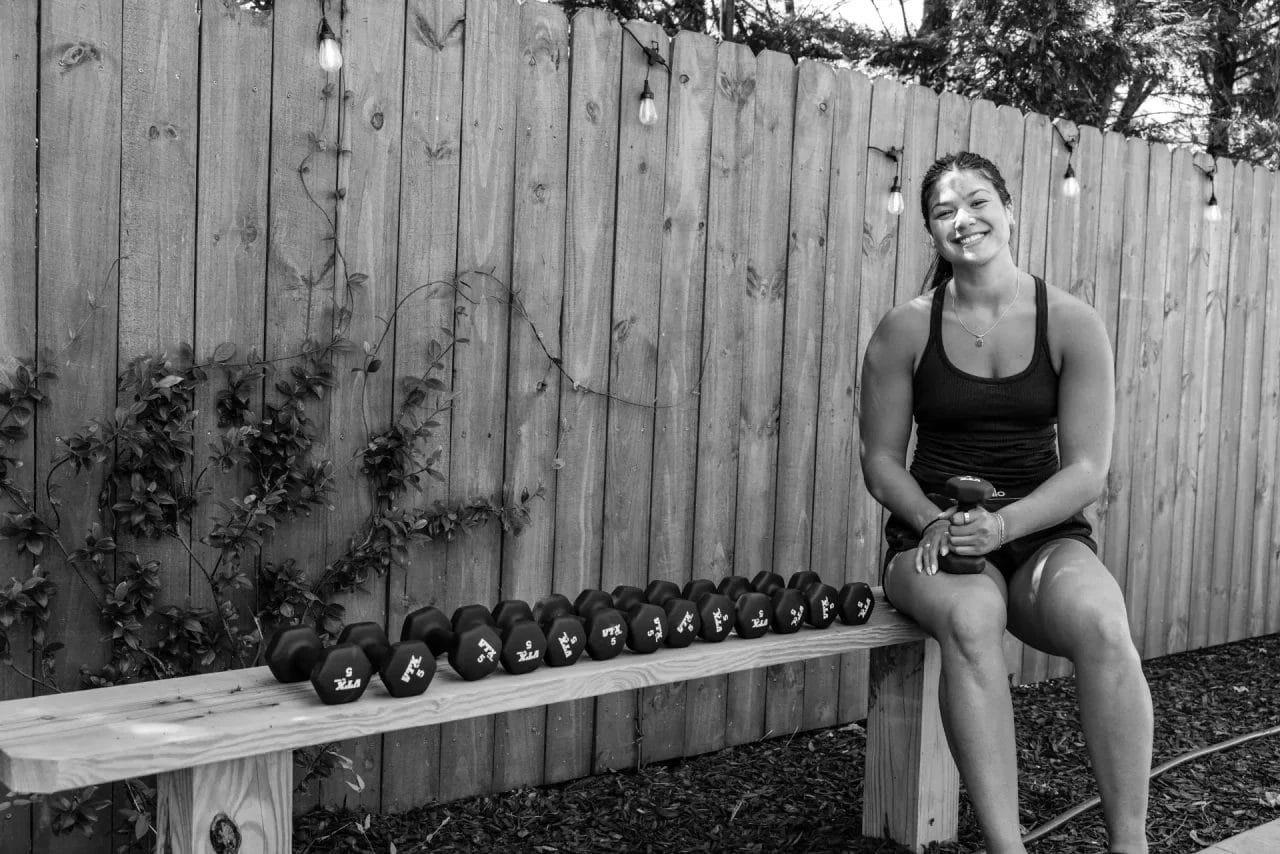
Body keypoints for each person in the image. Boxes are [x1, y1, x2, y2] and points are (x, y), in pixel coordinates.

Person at [858, 151, 1153, 854]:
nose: (964, 220)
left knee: (1104, 625)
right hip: (930, 538)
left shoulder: (1071, 322)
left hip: (1041, 533)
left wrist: (1004, 526)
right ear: (931, 232)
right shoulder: (905, 329)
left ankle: (1132, 844)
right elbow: (878, 462)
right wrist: (934, 520)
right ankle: (1007, 849)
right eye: (944, 211)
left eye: (979, 201)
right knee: (973, 614)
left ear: (1010, 209)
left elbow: (1087, 469)